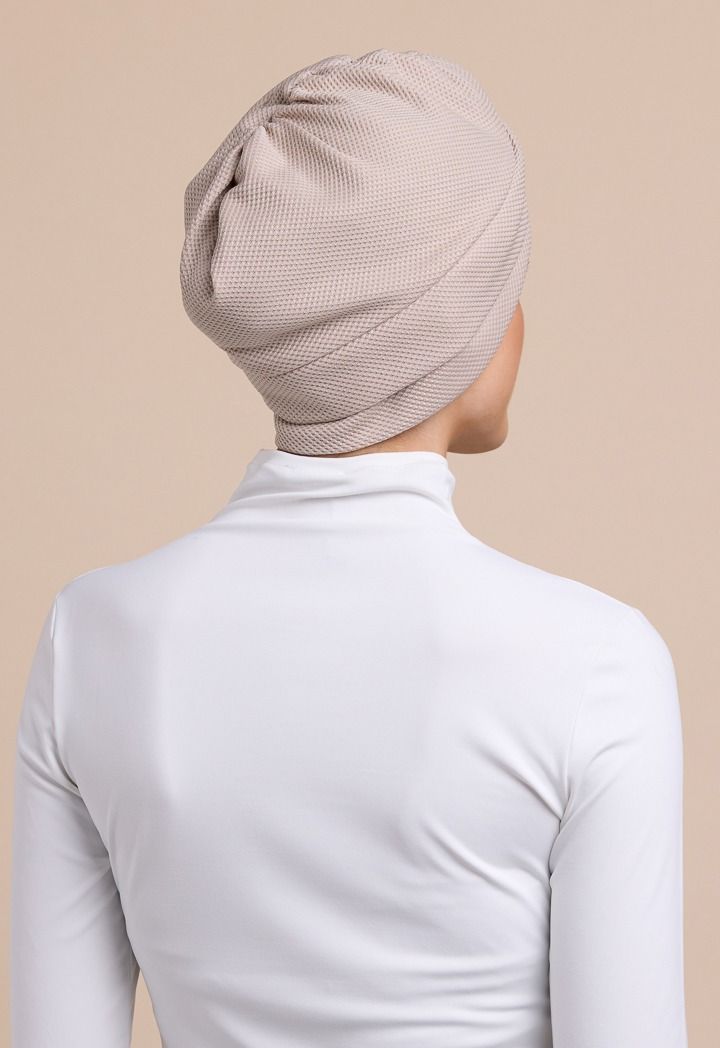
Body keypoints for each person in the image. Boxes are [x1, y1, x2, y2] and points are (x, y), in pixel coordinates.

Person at [10, 48, 688, 1048]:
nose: (517, 317)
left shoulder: (92, 637)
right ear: (451, 326)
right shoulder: (599, 662)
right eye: (503, 282)